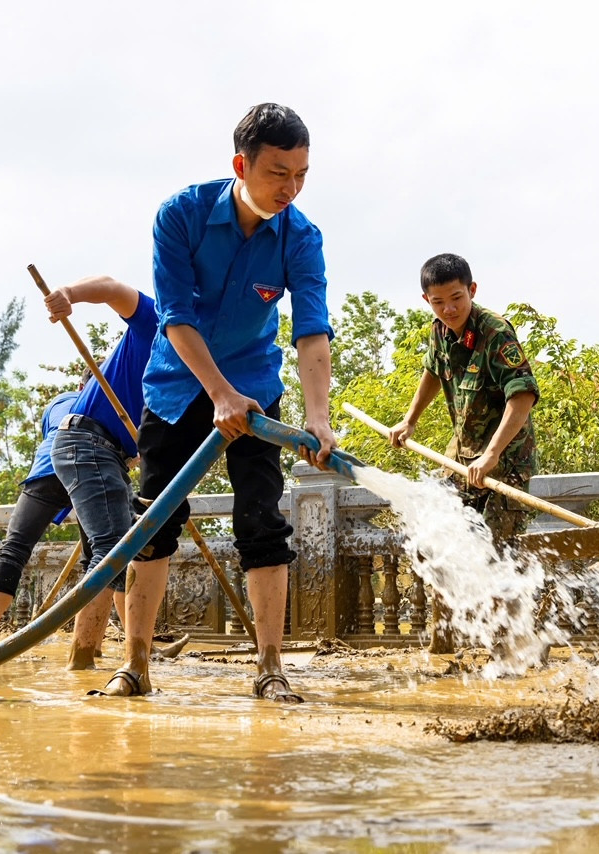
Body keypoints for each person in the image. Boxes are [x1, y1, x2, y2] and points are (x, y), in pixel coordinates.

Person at [124, 102, 336, 703]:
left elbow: (311, 330)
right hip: (177, 386)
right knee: (154, 522)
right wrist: (217, 393)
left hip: (256, 391)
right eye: (277, 173)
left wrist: (317, 419)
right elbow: (174, 316)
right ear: (241, 164)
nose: (289, 189)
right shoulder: (181, 215)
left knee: (262, 523)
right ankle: (136, 664)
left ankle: (271, 665)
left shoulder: (301, 236)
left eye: (301, 175)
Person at [389, 253, 540, 652]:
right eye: (438, 302)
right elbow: (433, 372)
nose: (449, 309)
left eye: (456, 298)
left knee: (495, 551)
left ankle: (518, 646)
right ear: (426, 301)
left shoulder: (496, 332)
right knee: (439, 536)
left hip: (505, 457)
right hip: (462, 454)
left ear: (472, 290)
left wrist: (491, 455)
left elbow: (522, 397)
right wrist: (409, 421)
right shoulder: (440, 330)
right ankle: (448, 639)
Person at [44, 276, 162, 673]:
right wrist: (69, 295)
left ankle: (89, 653)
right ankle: (80, 658)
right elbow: (112, 289)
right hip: (86, 442)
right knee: (113, 548)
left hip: (108, 452)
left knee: (110, 548)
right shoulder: (157, 321)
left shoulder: (193, 366)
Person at [0, 384, 91, 651]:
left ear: (81, 385)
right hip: (89, 474)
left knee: (13, 549)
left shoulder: (59, 399)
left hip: (46, 471)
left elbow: (52, 435)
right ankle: (89, 647)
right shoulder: (110, 404)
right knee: (105, 558)